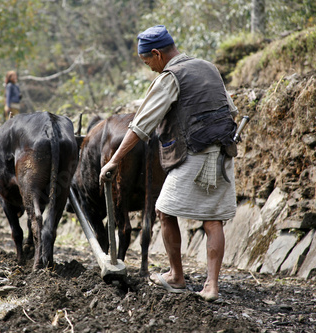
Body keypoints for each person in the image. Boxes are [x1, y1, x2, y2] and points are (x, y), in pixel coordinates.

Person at [99, 25, 238, 302]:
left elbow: (141, 125)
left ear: (156, 53)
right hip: (222, 152)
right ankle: (211, 287)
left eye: (147, 61)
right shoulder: (208, 67)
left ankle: (176, 276)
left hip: (195, 153)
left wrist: (114, 160)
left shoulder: (171, 76)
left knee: (163, 209)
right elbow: (231, 109)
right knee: (212, 221)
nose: (149, 67)